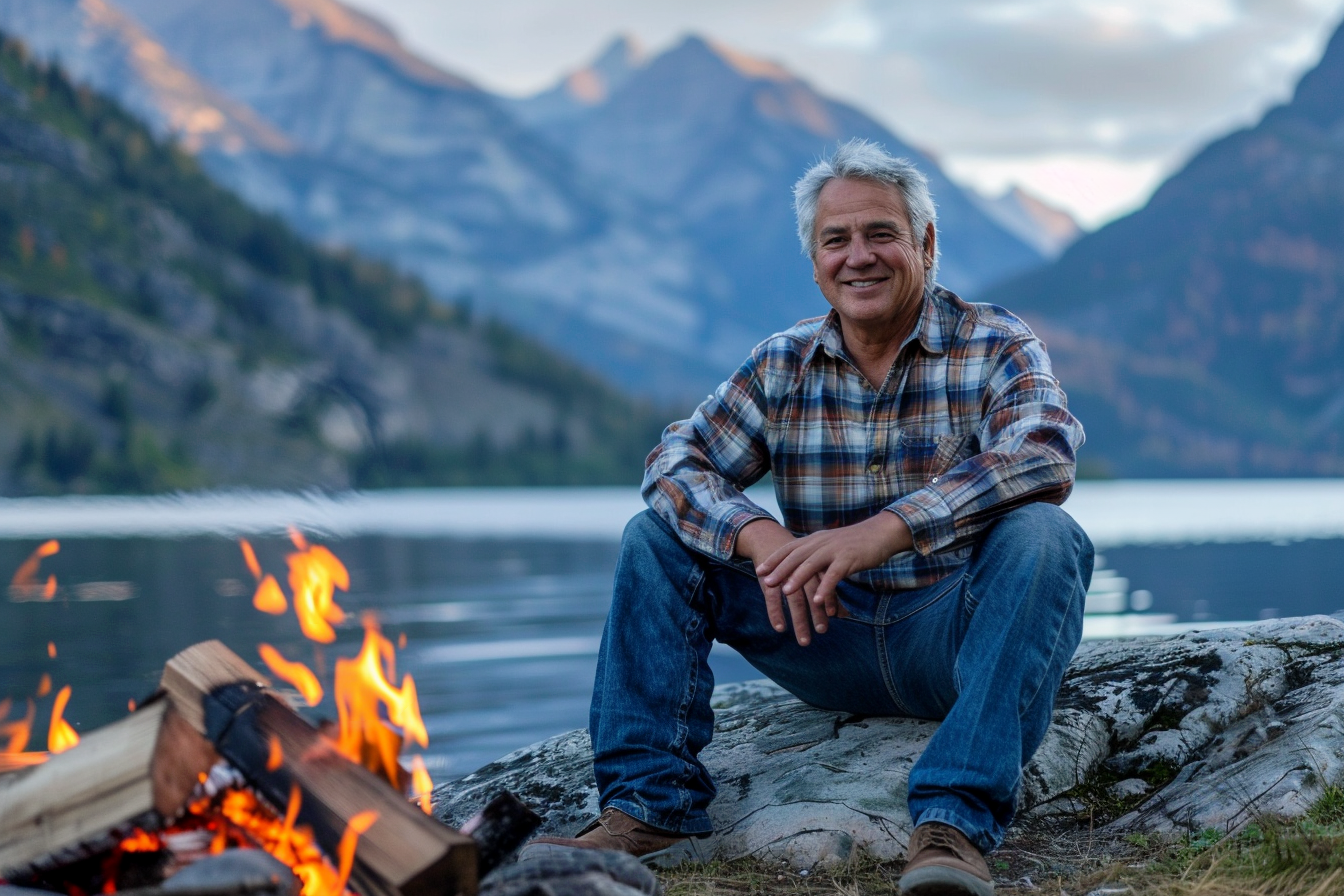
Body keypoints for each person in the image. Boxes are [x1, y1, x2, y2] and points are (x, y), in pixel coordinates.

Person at [534, 139, 1094, 896]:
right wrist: (759, 536)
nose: (858, 257)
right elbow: (674, 463)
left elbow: (1044, 453)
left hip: (951, 640)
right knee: (654, 538)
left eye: (881, 234)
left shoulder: (996, 343)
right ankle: (650, 810)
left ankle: (952, 827)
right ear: (815, 261)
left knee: (1046, 536)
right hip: (819, 634)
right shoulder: (781, 364)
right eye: (836, 240)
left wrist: (885, 531)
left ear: (925, 244)